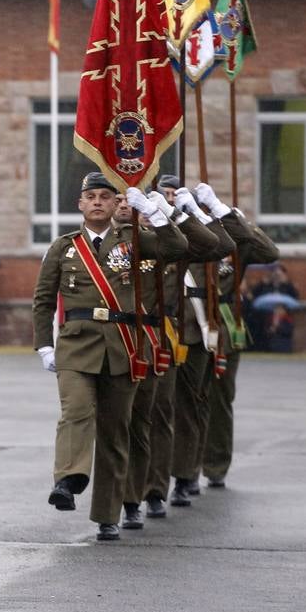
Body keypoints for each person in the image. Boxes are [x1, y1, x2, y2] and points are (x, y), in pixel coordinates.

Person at [32, 172, 186, 541]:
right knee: (77, 412)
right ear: (81, 204)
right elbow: (42, 299)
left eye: (106, 196)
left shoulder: (135, 242)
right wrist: (44, 345)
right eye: (92, 196)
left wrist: (156, 212)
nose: (99, 202)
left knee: (117, 433)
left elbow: (178, 249)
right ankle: (68, 480)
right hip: (75, 346)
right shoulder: (63, 247)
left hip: (123, 346)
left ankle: (108, 514)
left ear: (116, 202)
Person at [115, 181, 220, 529]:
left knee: (159, 417)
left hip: (159, 338)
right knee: (122, 421)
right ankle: (124, 496)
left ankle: (155, 490)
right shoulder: (115, 242)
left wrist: (172, 212)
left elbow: (215, 245)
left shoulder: (169, 241)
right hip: (117, 339)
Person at [197, 183, 279, 490]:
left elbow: (269, 252)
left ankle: (215, 463)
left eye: (208, 208)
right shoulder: (185, 235)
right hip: (191, 319)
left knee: (220, 397)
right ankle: (185, 467)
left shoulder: (233, 240)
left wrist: (230, 216)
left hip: (225, 322)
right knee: (187, 398)